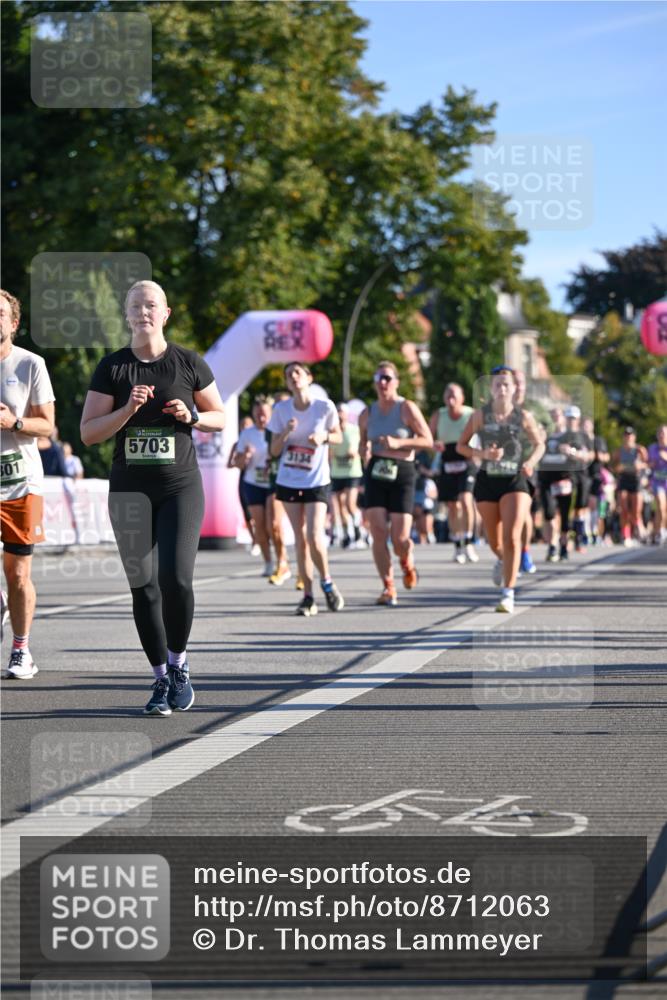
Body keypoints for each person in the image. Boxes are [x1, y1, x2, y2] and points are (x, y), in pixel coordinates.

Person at [80, 280, 226, 716]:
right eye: (135, 305)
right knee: (143, 589)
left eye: (151, 305)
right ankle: (161, 678)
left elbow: (220, 416)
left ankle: (180, 665)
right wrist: (125, 411)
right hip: (129, 489)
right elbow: (88, 433)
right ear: (126, 315)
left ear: (166, 313)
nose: (143, 311)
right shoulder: (113, 368)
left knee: (176, 578)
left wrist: (193, 415)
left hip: (180, 486)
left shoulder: (187, 363)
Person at [1, 289, 57, 678]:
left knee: (18, 575)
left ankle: (21, 649)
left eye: (0, 314)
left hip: (21, 484)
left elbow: (48, 426)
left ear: (13, 323)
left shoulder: (30, 364)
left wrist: (14, 422)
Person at [457, 365, 545, 613]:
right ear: (491, 389)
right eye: (498, 384)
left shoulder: (524, 417)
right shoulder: (479, 416)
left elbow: (539, 444)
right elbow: (461, 446)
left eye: (507, 384)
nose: (502, 388)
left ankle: (508, 593)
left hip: (515, 480)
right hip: (488, 479)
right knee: (494, 540)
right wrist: (483, 453)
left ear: (514, 389)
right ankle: (502, 560)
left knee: (512, 536)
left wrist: (530, 462)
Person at [268, 362, 344, 616]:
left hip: (317, 480)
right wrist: (286, 433)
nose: (293, 377)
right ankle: (308, 596)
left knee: (314, 535)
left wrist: (323, 438)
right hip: (289, 479)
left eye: (297, 372)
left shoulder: (324, 407)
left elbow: (338, 436)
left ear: (309, 377)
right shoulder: (280, 409)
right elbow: (274, 451)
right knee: (300, 540)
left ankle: (328, 582)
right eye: (288, 375)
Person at [358, 361, 433, 606]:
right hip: (377, 471)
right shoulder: (367, 413)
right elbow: (362, 442)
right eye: (378, 378)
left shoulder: (406, 408)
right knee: (378, 531)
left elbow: (427, 440)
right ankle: (388, 586)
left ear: (396, 382)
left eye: (387, 378)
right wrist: (364, 451)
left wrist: (398, 444)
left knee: (400, 538)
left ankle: (406, 560)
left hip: (402, 472)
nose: (382, 383)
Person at [234, 395, 290, 583]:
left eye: (264, 413)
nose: (261, 417)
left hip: (274, 481)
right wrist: (246, 457)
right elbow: (238, 463)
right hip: (253, 482)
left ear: (271, 414)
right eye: (258, 414)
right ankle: (268, 561)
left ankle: (282, 560)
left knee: (273, 523)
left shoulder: (277, 431)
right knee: (259, 525)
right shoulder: (247, 434)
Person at [430, 383, 477, 564]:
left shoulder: (470, 414)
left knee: (466, 500)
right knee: (452, 506)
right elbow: (428, 436)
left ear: (462, 398)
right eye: (447, 394)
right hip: (448, 460)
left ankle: (469, 540)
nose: (451, 398)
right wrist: (434, 443)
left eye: (454, 395)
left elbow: (481, 435)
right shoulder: (439, 415)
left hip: (466, 459)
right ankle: (458, 544)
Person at [329, 403, 364, 549]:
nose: (339, 415)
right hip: (337, 472)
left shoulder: (354, 430)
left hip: (352, 472)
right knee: (340, 506)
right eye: (337, 412)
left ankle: (358, 529)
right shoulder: (332, 431)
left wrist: (352, 452)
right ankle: (346, 534)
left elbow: (357, 449)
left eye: (341, 412)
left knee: (350, 504)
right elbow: (329, 453)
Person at [537, 406, 568, 562]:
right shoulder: (544, 435)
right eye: (552, 416)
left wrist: (571, 451)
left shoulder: (569, 435)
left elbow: (584, 453)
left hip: (564, 477)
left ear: (563, 418)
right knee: (549, 513)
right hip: (546, 478)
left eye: (557, 415)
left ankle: (563, 544)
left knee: (563, 512)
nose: (555, 418)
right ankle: (552, 545)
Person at [613, 427, 648, 546]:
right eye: (626, 435)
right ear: (623, 437)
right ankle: (626, 535)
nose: (628, 437)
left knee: (636, 510)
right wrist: (618, 468)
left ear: (634, 437)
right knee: (623, 508)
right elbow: (614, 466)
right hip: (624, 479)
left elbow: (647, 464)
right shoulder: (619, 451)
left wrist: (640, 466)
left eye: (630, 435)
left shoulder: (640, 450)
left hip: (636, 480)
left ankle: (638, 530)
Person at [583, 417, 609, 546]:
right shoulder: (580, 440)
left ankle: (594, 532)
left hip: (596, 475)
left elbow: (606, 456)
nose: (586, 427)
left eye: (588, 425)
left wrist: (599, 456)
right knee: (587, 504)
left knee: (595, 506)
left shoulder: (598, 441)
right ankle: (587, 532)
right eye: (584, 425)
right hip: (583, 475)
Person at [648, 424, 667, 544]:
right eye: (660, 433)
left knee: (663, 509)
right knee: (660, 505)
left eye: (664, 433)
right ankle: (661, 532)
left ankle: (659, 531)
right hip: (657, 481)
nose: (662, 435)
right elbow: (648, 464)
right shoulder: (652, 448)